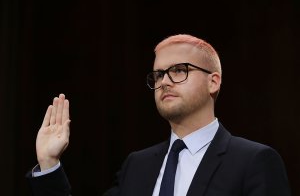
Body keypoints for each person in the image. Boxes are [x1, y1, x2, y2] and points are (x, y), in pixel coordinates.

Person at [27, 34, 291, 196]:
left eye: (179, 70)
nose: (164, 82)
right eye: (158, 74)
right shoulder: (137, 165)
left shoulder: (254, 161)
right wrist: (49, 164)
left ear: (214, 82)